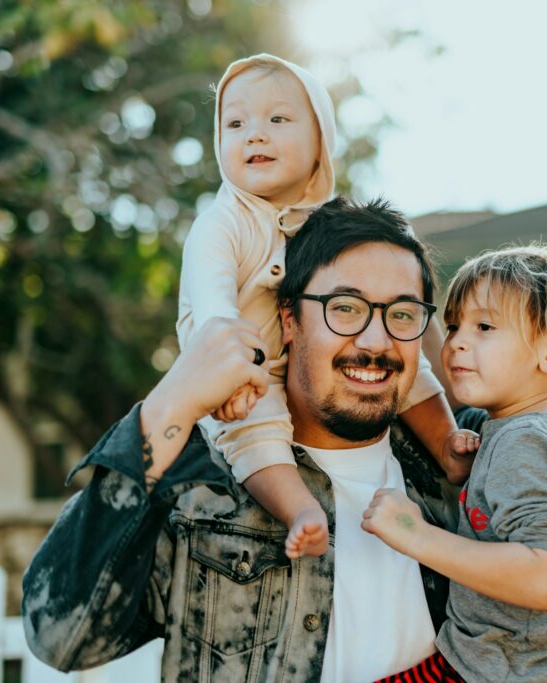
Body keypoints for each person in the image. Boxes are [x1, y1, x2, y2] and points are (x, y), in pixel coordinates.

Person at [22, 197, 547, 682]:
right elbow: (63, 634)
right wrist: (171, 401)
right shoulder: (200, 481)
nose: (375, 341)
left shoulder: (465, 456)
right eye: (345, 308)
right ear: (289, 320)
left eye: (401, 314)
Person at [176, 54, 476, 560]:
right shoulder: (222, 223)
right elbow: (214, 312)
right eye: (235, 123)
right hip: (239, 372)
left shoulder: (328, 226)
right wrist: (231, 377)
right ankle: (300, 510)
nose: (254, 135)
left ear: (321, 142)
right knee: (256, 433)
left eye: (277, 119)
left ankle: (447, 445)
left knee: (408, 362)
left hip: (291, 362)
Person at [364, 245, 547, 682]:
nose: (457, 340)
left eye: (484, 326)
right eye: (453, 325)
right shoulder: (534, 434)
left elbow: (544, 578)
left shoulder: (523, 442)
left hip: (493, 669)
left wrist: (414, 534)